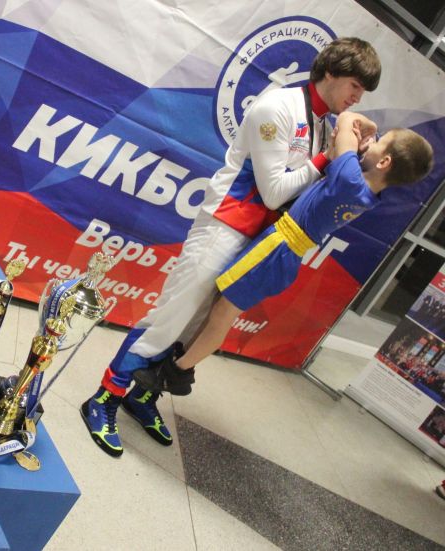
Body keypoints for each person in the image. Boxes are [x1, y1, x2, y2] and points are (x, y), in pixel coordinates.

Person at [81, 37, 382, 457]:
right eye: (355, 85)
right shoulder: (277, 107)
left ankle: (142, 395)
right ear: (330, 72)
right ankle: (104, 397)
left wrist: (342, 155)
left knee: (197, 326)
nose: (357, 97)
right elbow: (274, 192)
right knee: (171, 317)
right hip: (226, 224)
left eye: (363, 91)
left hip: (259, 238)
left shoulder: (322, 123)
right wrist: (327, 160)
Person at [136, 113, 434, 394]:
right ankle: (180, 361)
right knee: (220, 308)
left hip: (277, 249)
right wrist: (370, 143)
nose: (371, 140)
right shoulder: (370, 193)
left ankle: (176, 373)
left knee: (222, 314)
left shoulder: (351, 179)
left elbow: (346, 120)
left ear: (384, 161)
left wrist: (365, 129)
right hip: (284, 252)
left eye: (379, 141)